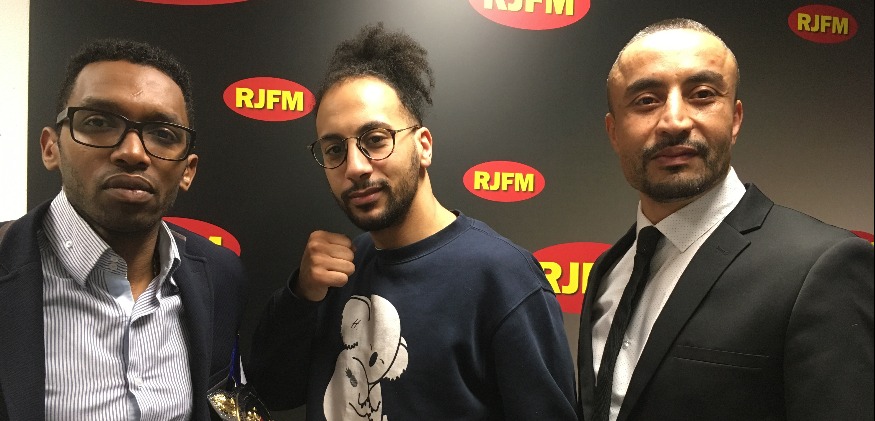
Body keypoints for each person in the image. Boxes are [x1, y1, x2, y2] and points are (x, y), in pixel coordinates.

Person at [248, 23, 578, 420]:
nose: (355, 166)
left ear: (423, 146)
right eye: (335, 149)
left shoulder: (503, 278)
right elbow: (270, 391)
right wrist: (301, 295)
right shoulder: (336, 273)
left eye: (375, 139)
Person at [577, 18, 874, 421]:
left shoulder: (823, 267)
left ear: (734, 119)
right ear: (614, 132)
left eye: (702, 95)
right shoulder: (609, 270)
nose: (674, 121)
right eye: (646, 100)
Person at [0, 39, 248, 420]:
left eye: (163, 134)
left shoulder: (220, 275)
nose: (133, 152)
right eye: (99, 123)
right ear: (51, 148)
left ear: (188, 171)